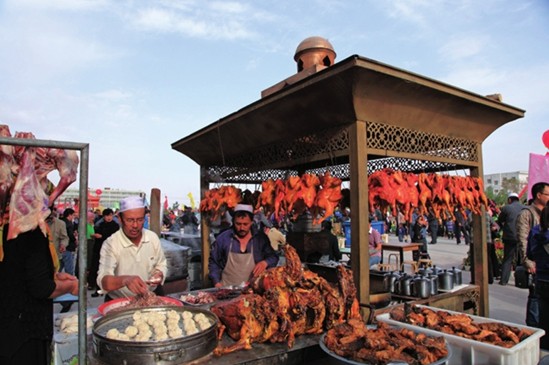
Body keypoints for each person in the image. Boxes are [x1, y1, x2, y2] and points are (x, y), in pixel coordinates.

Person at [0, 226, 79, 365]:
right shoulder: (30, 232)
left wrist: (53, 276)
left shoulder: (10, 229)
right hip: (24, 332)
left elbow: (21, 271)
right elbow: (41, 287)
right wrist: (71, 286)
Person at [97, 196, 167, 301]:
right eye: (130, 220)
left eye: (140, 220)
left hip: (151, 298)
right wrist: (125, 280)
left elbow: (161, 264)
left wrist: (159, 274)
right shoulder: (111, 244)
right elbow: (103, 280)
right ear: (120, 219)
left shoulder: (152, 238)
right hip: (121, 301)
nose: (135, 225)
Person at [209, 204, 279, 287]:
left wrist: (265, 262)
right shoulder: (223, 238)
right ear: (233, 221)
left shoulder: (260, 239)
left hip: (253, 290)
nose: (241, 228)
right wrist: (216, 282)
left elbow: (274, 257)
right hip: (227, 290)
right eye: (238, 224)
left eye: (245, 224)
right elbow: (214, 262)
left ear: (252, 222)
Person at [517, 182, 549, 327]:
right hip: (536, 264)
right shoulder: (527, 213)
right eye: (548, 194)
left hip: (541, 266)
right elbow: (522, 239)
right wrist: (527, 261)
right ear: (539, 195)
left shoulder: (545, 212)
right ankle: (533, 331)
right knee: (536, 301)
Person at [527, 204, 549, 349]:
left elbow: (529, 254)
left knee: (545, 320)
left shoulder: (535, 231)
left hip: (541, 281)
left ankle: (543, 353)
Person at [88, 208, 120, 297]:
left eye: (110, 215)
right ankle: (94, 284)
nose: (109, 217)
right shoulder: (99, 224)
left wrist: (102, 236)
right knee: (96, 266)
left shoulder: (115, 226)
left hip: (110, 249)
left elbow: (113, 236)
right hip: (98, 248)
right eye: (107, 216)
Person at [497, 192, 525, 286]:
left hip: (509, 237)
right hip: (522, 236)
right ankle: (521, 281)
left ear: (509, 200)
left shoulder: (507, 208)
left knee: (508, 259)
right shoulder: (524, 208)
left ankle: (504, 280)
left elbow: (500, 220)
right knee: (522, 259)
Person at [46, 207, 69, 272]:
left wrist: (63, 245)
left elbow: (64, 238)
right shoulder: (35, 223)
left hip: (55, 257)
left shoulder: (60, 223)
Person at [60, 208, 77, 275]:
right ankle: (70, 282)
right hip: (68, 247)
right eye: (73, 215)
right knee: (69, 268)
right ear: (69, 215)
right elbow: (70, 235)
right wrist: (75, 239)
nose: (74, 217)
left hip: (60, 246)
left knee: (60, 265)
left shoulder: (60, 221)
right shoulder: (68, 224)